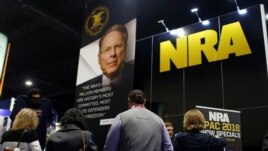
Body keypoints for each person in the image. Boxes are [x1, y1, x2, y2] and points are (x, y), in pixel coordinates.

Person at [103, 89, 173, 151]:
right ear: (144, 101)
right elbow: (168, 148)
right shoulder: (159, 120)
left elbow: (110, 147)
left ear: (129, 101)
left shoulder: (120, 118)